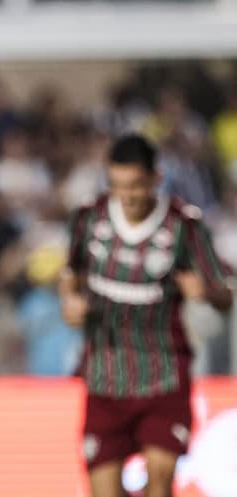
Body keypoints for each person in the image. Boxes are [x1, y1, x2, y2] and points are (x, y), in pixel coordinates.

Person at [59, 133, 233, 497]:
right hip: (105, 377)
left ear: (156, 177)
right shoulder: (88, 218)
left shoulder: (184, 224)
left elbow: (225, 290)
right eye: (118, 185)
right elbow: (70, 273)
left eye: (136, 185)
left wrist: (205, 292)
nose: (128, 195)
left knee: (160, 480)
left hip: (163, 376)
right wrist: (70, 301)